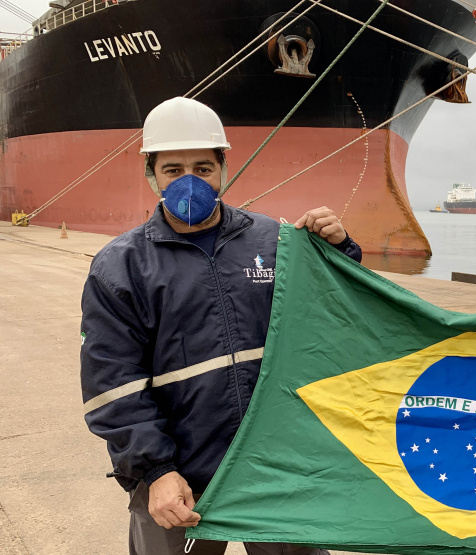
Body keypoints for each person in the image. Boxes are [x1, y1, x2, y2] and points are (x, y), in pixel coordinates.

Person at [80, 97, 362, 555]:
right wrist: (155, 471)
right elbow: (111, 383)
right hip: (179, 475)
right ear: (151, 175)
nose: (189, 181)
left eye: (203, 167)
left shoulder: (275, 241)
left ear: (224, 170)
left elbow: (334, 309)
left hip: (276, 467)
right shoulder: (121, 267)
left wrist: (340, 250)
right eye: (173, 170)